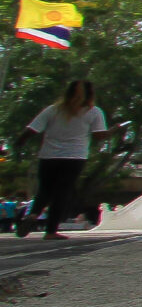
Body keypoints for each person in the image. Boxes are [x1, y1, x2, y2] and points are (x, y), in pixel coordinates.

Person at [17, 80, 108, 240]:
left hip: (48, 156)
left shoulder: (53, 110)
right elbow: (99, 136)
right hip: (74, 158)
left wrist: (18, 144)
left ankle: (32, 215)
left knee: (45, 189)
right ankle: (51, 231)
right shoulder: (93, 112)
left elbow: (31, 130)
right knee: (62, 192)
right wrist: (115, 131)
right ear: (91, 94)